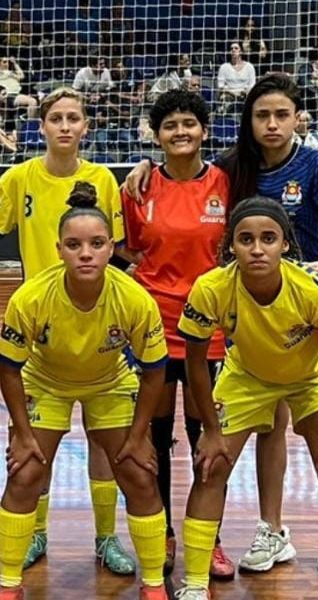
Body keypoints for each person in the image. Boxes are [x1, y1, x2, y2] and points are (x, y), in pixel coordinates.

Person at [122, 73, 318, 586]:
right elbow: (160, 197)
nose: (272, 124)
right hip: (218, 318)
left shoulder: (291, 168)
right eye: (262, 115)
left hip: (306, 314)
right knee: (254, 429)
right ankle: (264, 529)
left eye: (281, 114)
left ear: (298, 117)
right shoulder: (237, 169)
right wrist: (143, 166)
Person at [0, 87, 137, 576]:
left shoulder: (103, 180)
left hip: (99, 328)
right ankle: (35, 532)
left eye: (74, 118)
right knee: (30, 446)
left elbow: (123, 250)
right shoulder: (20, 176)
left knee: (104, 441)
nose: (65, 126)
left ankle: (107, 537)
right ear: (41, 126)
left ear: (86, 127)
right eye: (56, 119)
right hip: (39, 334)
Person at [173, 196, 318, 600]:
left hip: (309, 378)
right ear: (230, 247)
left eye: (268, 238)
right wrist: (209, 429)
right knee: (211, 467)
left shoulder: (315, 292)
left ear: (285, 245)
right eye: (245, 239)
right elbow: (194, 364)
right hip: (246, 376)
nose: (257, 248)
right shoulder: (211, 289)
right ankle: (194, 585)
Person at [0, 184, 170, 600]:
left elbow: (155, 369)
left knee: (140, 475)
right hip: (46, 382)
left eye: (96, 244)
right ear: (59, 249)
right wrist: (21, 432)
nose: (85, 253)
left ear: (112, 247)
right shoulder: (32, 297)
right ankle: (8, 584)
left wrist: (141, 433)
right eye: (74, 245)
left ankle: (154, 584)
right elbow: (9, 368)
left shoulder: (134, 298)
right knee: (26, 473)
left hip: (109, 382)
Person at [121, 89, 234, 579]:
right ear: (157, 135)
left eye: (189, 123)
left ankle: (207, 538)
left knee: (208, 434)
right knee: (158, 435)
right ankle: (164, 531)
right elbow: (127, 248)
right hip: (155, 326)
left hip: (208, 327)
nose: (181, 132)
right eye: (170, 125)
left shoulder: (225, 183)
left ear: (204, 130)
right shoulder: (138, 188)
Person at [0, 52, 39, 117]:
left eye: (8, 61)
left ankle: (25, 116)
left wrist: (15, 63)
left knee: (41, 97)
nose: (6, 63)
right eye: (4, 61)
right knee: (32, 102)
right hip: (8, 96)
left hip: (19, 94)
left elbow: (22, 76)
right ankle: (31, 125)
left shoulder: (11, 73)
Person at [217, 42, 256, 113]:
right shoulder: (224, 67)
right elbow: (221, 86)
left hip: (244, 96)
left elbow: (252, 85)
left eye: (236, 48)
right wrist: (234, 94)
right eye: (231, 49)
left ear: (241, 51)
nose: (233, 50)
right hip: (229, 95)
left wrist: (243, 93)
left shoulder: (249, 67)